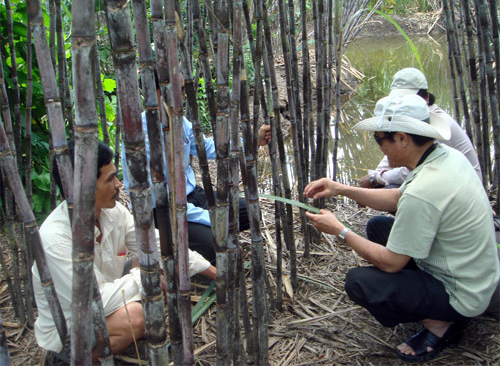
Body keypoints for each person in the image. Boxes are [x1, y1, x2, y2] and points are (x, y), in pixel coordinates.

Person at [304, 94, 499, 363]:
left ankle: (442, 322)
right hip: (473, 273)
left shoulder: (425, 189)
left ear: (402, 138)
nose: (379, 147)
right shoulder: (444, 157)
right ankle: (438, 306)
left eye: (379, 139)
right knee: (378, 226)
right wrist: (341, 188)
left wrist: (340, 230)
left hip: (463, 294)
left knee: (361, 283)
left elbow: (392, 264)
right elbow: (397, 198)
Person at [32, 140, 216, 362]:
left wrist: (214, 273)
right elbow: (96, 299)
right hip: (72, 326)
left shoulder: (113, 212)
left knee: (152, 263)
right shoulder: (55, 239)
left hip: (107, 294)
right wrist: (148, 277)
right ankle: (77, 360)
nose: (119, 184)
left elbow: (156, 245)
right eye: (111, 179)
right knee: (137, 316)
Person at [122, 73, 271, 264]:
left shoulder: (179, 122)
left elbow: (209, 147)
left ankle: (203, 240)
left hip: (192, 197)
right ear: (156, 93)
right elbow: (156, 200)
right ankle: (183, 254)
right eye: (180, 90)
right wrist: (209, 218)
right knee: (214, 243)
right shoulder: (137, 137)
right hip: (162, 212)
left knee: (249, 210)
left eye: (184, 90)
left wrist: (252, 141)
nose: (184, 96)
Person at [359, 67, 482, 188]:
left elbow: (413, 169)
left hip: (463, 185)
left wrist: (376, 178)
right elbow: (393, 151)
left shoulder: (438, 125)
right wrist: (376, 174)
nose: (405, 103)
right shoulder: (412, 123)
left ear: (426, 97)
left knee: (389, 189)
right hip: (444, 181)